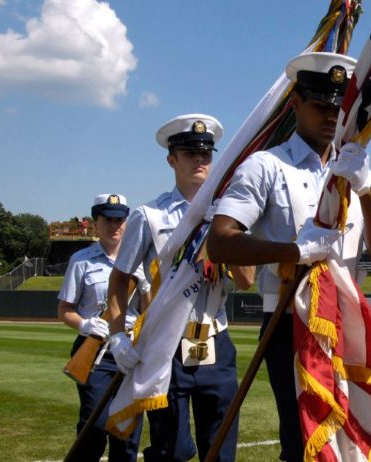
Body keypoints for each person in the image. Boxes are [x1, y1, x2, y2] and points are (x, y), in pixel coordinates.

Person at [207, 51, 371, 461]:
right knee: (304, 445)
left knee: (348, 447)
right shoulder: (265, 166)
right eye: (320, 105)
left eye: (338, 108)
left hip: (347, 324)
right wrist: (293, 250)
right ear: (296, 103)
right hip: (291, 321)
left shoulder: (358, 170)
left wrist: (364, 188)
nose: (331, 116)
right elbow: (220, 241)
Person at [107, 114, 254, 462]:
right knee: (171, 451)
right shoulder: (149, 215)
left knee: (220, 451)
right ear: (172, 159)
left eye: (206, 152)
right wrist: (117, 335)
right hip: (166, 345)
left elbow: (246, 280)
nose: (200, 160)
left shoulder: (228, 215)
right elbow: (119, 281)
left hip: (216, 342)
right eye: (190, 153)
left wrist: (225, 227)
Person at [57, 194, 150, 462]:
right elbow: (64, 310)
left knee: (126, 432)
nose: (115, 226)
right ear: (95, 223)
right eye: (108, 219)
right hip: (96, 353)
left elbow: (148, 311)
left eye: (120, 220)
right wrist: (84, 324)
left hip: (130, 352)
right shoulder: (81, 260)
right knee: (94, 426)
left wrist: (144, 286)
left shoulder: (140, 261)